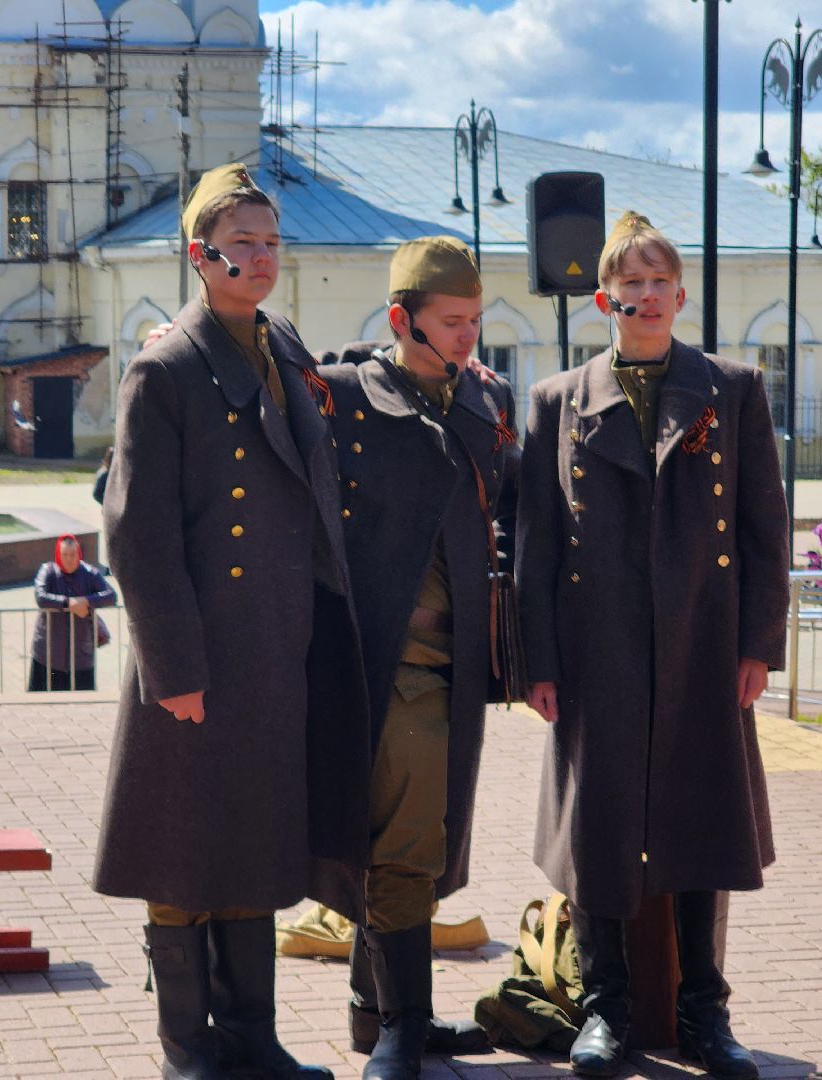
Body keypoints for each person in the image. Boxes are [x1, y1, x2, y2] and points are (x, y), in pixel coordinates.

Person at [93, 162, 365, 1080]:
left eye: (271, 240)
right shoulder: (164, 367)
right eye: (241, 241)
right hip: (199, 653)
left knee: (254, 836)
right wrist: (174, 670)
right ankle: (187, 1045)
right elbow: (138, 535)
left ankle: (252, 1038)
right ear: (199, 254)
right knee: (183, 847)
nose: (261, 256)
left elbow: (324, 414)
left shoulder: (279, 341)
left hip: (276, 643)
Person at [516, 212, 790, 1080]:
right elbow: (535, 543)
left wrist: (758, 645)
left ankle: (706, 1013)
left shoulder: (731, 389)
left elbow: (765, 530)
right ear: (605, 299)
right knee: (597, 829)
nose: (647, 295)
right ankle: (605, 1008)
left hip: (702, 642)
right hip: (594, 648)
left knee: (703, 821)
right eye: (630, 283)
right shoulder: (558, 400)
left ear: (680, 293)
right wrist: (538, 662)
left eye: (660, 281)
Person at [310, 237, 519, 1079]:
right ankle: (401, 1025)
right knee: (404, 838)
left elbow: (512, 509)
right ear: (403, 319)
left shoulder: (488, 399)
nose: (469, 336)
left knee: (429, 836)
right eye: (452, 321)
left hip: (462, 663)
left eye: (475, 320)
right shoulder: (345, 395)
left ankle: (378, 1013)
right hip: (385, 656)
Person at [29, 533, 115, 691]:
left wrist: (86, 601)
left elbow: (111, 596)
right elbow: (41, 597)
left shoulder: (90, 573)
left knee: (83, 697)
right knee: (46, 697)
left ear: (79, 554)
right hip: (49, 655)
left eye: (72, 554)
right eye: (65, 555)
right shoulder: (48, 571)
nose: (69, 559)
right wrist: (68, 603)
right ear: (58, 555)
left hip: (81, 655)